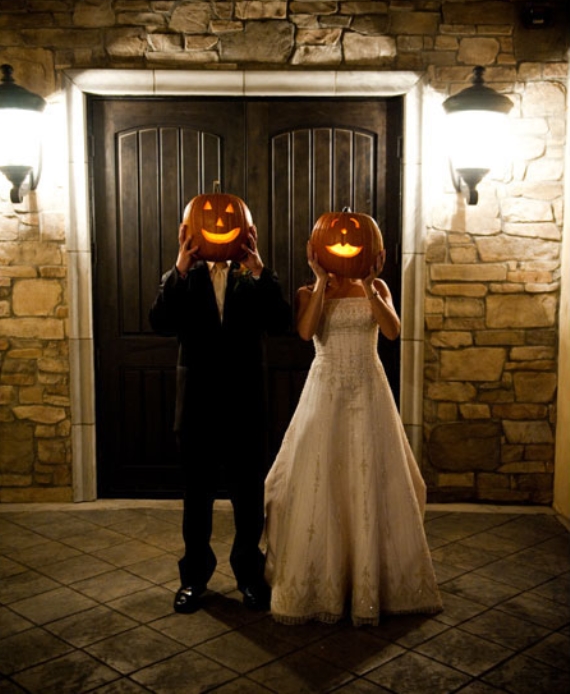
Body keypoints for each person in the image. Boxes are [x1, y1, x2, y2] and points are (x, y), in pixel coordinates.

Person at [264, 240, 443, 625]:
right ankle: (322, 585)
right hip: (326, 386)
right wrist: (320, 281)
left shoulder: (376, 288)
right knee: (322, 478)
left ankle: (370, 581)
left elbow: (393, 332)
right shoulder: (307, 292)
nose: (344, 242)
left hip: (368, 386)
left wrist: (370, 283)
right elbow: (307, 331)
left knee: (369, 480)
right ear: (316, 249)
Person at [149, 217, 291, 614]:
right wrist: (178, 265)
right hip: (197, 406)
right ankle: (194, 579)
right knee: (197, 498)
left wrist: (259, 269)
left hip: (245, 405)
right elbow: (159, 322)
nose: (218, 226)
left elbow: (280, 322)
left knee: (248, 498)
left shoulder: (254, 276)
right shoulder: (184, 278)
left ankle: (249, 576)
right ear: (189, 231)